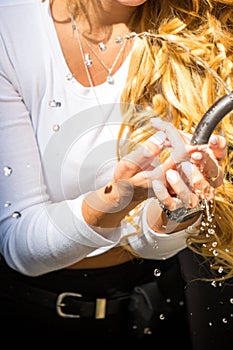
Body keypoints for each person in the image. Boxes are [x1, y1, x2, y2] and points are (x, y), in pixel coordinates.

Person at [0, 0, 233, 347]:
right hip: (31, 317)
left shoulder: (194, 28)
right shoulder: (11, 29)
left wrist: (178, 203)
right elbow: (20, 246)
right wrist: (115, 199)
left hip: (154, 310)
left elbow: (150, 245)